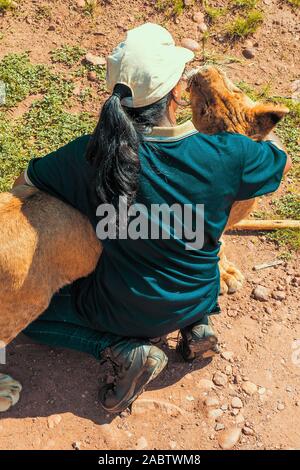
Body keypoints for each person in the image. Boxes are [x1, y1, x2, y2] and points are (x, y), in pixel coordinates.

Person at [14, 23, 291, 414]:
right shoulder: (230, 155)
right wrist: (243, 124)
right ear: (178, 91)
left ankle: (121, 349)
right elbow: (280, 157)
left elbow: (25, 182)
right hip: (200, 294)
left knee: (28, 316)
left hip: (124, 309)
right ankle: (199, 326)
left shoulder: (88, 156)